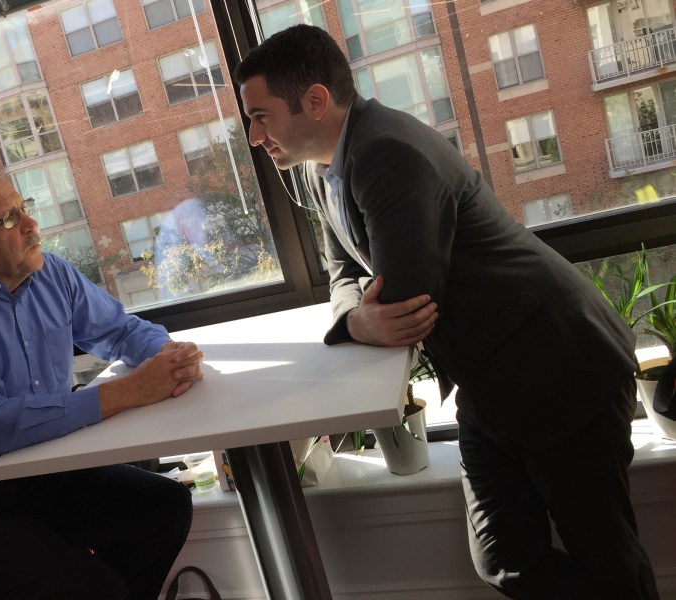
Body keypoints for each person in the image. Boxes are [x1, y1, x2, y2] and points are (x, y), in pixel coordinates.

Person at [235, 24, 658, 600]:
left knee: (610, 563)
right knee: (504, 560)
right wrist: (356, 318)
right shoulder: (319, 167)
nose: (255, 137)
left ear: (314, 101)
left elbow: (408, 303)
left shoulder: (385, 152)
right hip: (491, 382)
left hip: (560, 368)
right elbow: (344, 275)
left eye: (261, 117)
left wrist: (360, 316)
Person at [0, 168, 205, 599]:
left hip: (46, 473)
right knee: (95, 589)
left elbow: (117, 331)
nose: (30, 225)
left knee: (163, 507)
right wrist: (130, 391)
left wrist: (168, 355)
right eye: (6, 219)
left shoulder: (50, 273)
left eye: (24, 209)